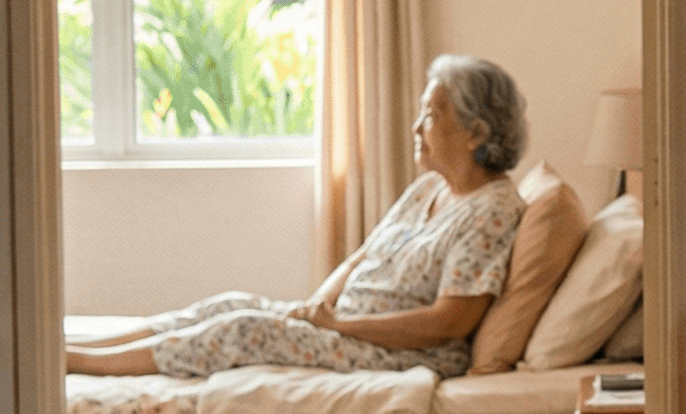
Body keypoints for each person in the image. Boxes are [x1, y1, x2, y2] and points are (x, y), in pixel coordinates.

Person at [65, 56, 531, 379]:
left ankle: (85, 367)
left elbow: (451, 322)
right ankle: (85, 349)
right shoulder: (431, 186)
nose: (416, 127)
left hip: (400, 354)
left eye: (430, 115)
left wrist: (338, 326)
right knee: (230, 303)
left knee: (243, 329)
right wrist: (313, 310)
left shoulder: (492, 211)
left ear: (476, 133)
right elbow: (364, 257)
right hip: (345, 326)